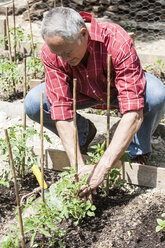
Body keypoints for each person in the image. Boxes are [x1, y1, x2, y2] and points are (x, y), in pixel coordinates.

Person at [24, 7, 165, 199]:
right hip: (81, 92)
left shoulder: (115, 39)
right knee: (34, 103)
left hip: (115, 91)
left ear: (83, 34)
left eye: (66, 52)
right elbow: (61, 111)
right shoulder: (54, 53)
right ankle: (83, 134)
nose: (62, 59)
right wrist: (79, 170)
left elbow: (133, 110)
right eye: (57, 54)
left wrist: (101, 169)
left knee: (156, 95)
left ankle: (135, 148)